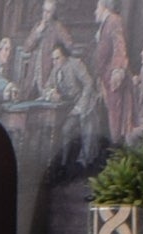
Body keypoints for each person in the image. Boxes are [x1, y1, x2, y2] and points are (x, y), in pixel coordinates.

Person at [42, 39, 99, 169]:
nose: (55, 62)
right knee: (66, 130)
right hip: (70, 107)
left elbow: (88, 83)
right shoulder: (56, 70)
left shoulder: (75, 64)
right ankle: (64, 162)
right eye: (53, 59)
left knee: (87, 132)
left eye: (57, 58)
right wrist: (51, 93)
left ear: (64, 56)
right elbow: (47, 87)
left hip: (86, 103)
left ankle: (85, 163)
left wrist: (81, 105)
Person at [94, 0, 133, 146]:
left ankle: (117, 150)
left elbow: (119, 45)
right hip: (105, 77)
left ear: (104, 7)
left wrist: (117, 69)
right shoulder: (106, 23)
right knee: (110, 116)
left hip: (113, 78)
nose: (95, 12)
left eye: (97, 8)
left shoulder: (114, 20)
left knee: (116, 118)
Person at [21, 0, 75, 98]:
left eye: (48, 12)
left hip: (48, 72)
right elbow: (26, 48)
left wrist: (59, 56)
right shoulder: (37, 26)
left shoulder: (57, 27)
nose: (45, 14)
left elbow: (69, 45)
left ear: (53, 13)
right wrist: (38, 32)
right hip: (33, 73)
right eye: (44, 11)